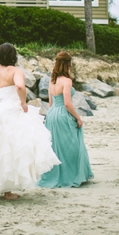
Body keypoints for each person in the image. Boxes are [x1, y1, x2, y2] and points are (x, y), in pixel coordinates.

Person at [0, 43, 60, 199]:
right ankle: (7, 191)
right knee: (10, 149)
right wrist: (23, 103)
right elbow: (20, 86)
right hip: (11, 111)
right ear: (14, 56)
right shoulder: (16, 71)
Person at [38, 51, 93, 188]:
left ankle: (57, 175)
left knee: (56, 146)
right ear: (68, 64)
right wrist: (78, 118)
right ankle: (72, 175)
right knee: (71, 145)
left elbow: (51, 103)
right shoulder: (67, 81)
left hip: (52, 114)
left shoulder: (52, 81)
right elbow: (67, 103)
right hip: (63, 114)